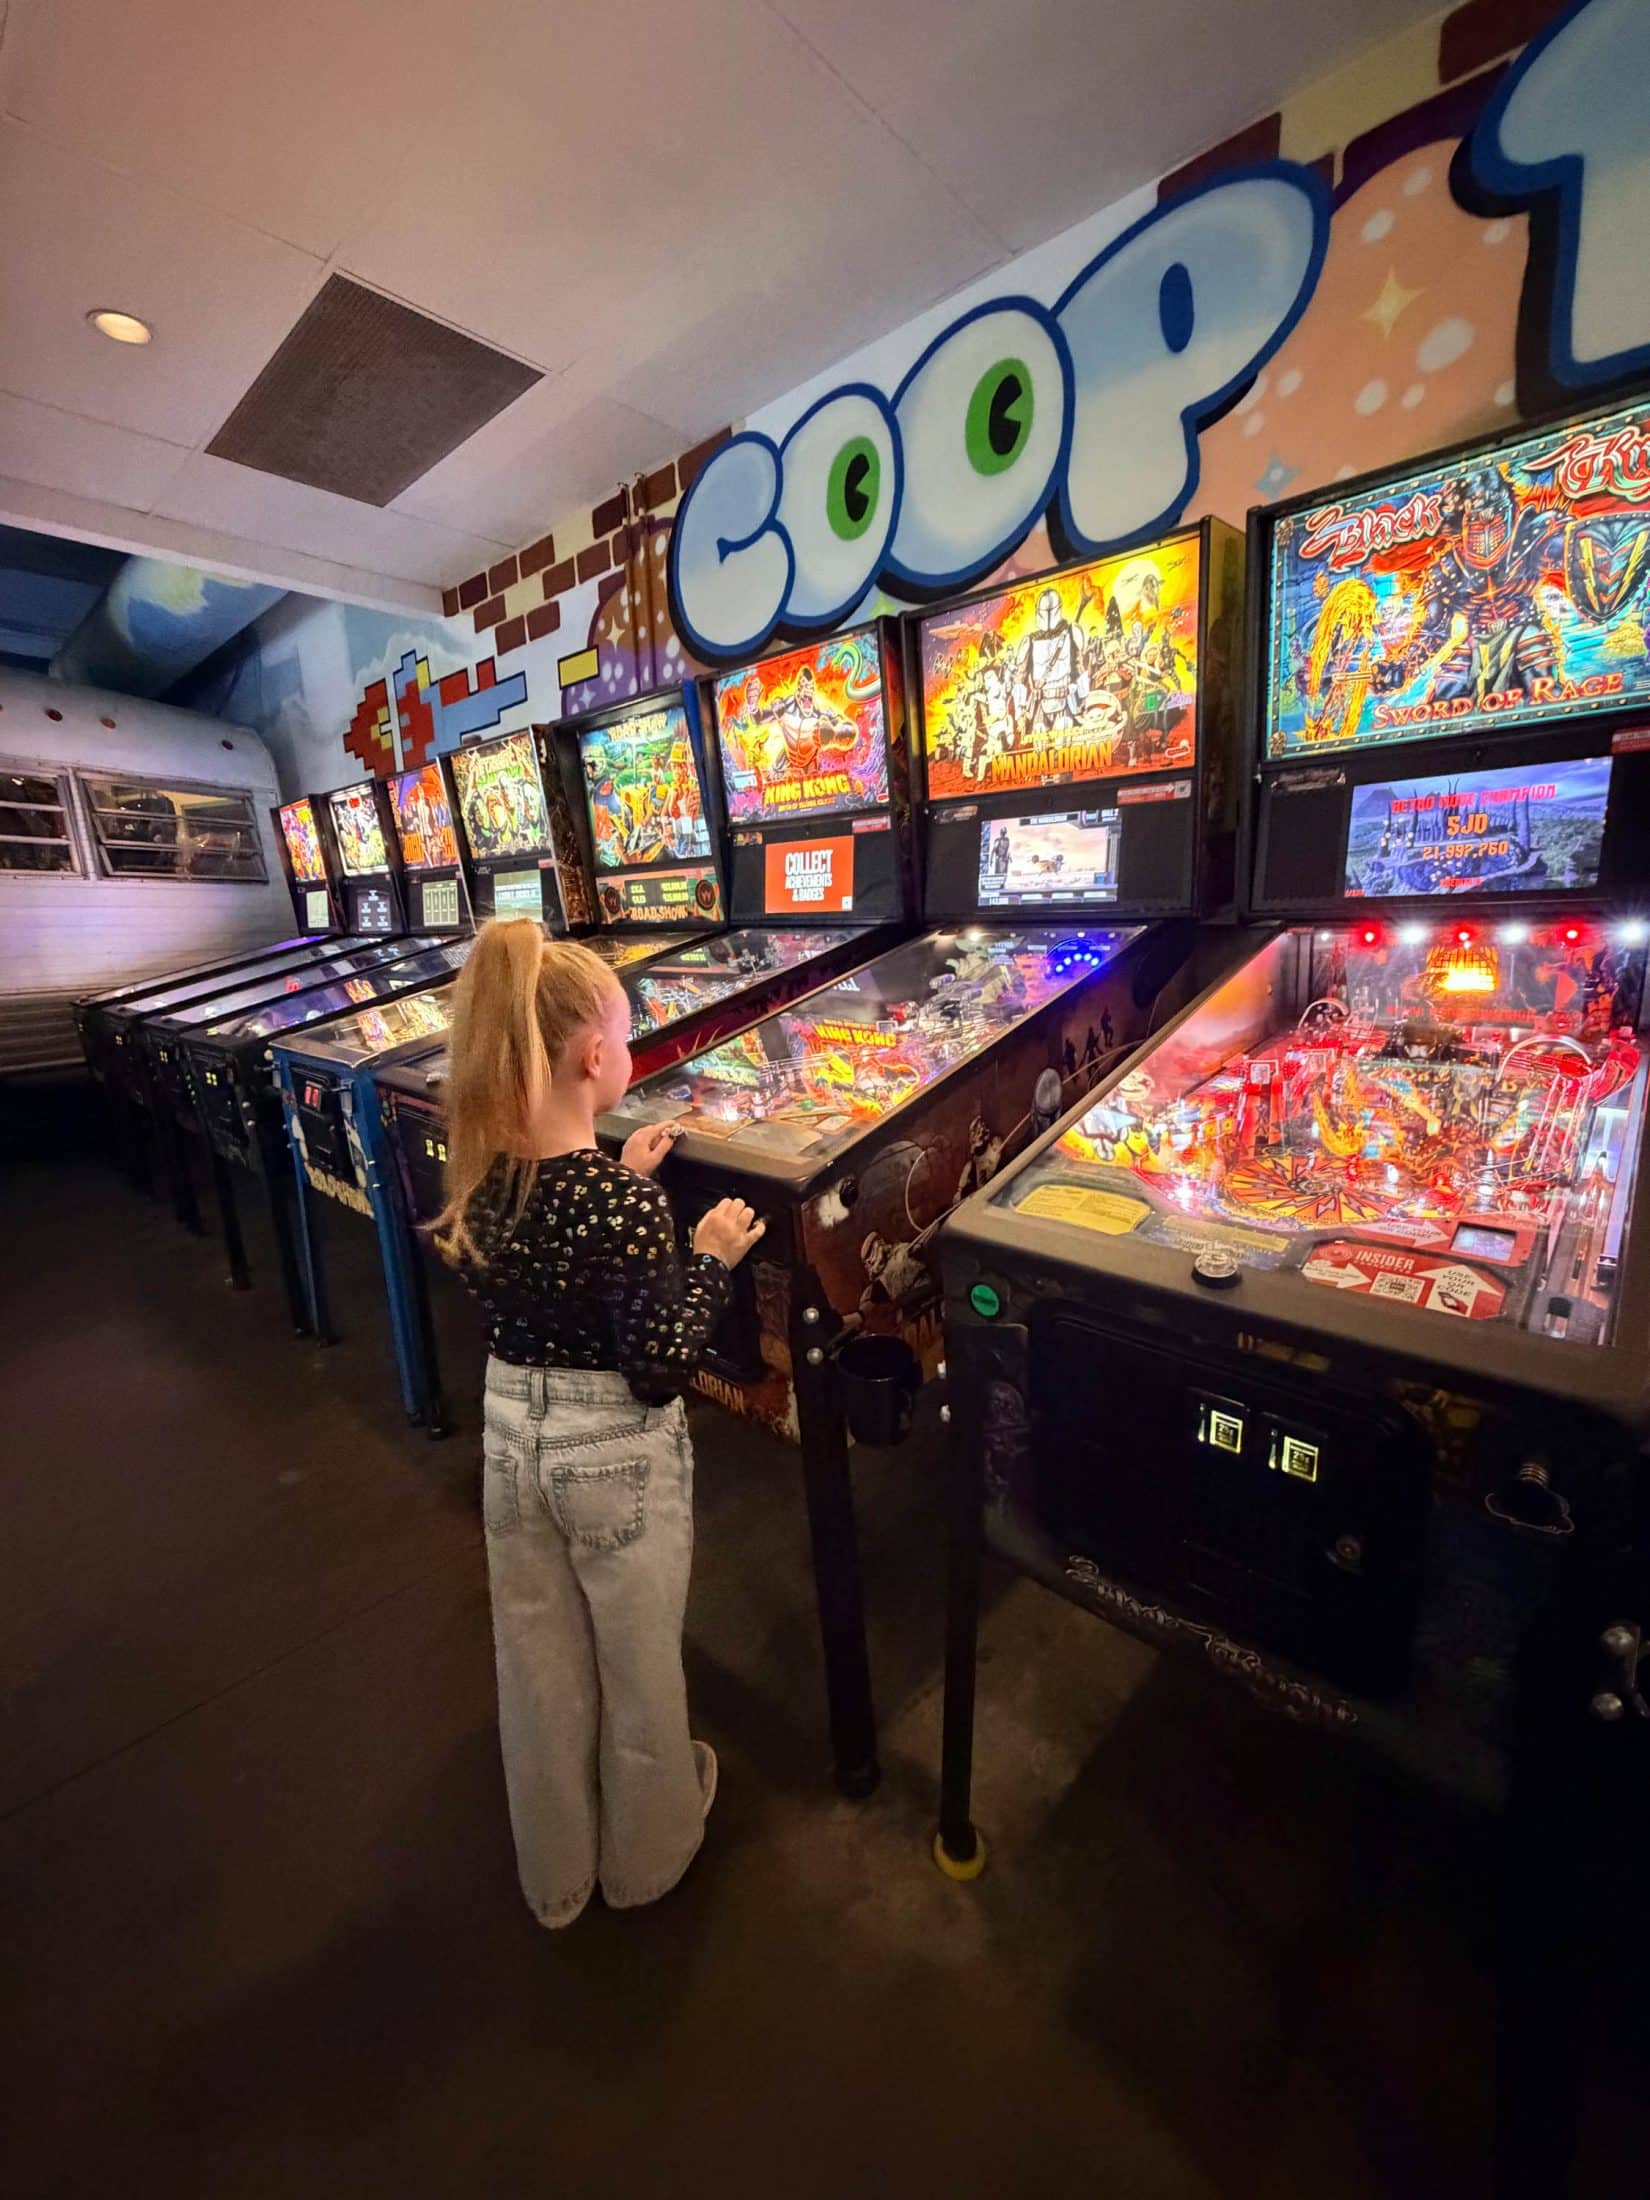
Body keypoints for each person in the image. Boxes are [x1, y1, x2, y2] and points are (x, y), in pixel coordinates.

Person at [435, 920, 764, 1928]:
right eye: (625, 1038)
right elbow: (659, 1366)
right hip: (610, 1454)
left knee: (536, 1659)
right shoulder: (621, 1209)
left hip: (510, 1436)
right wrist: (708, 1257)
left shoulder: (487, 1175)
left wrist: (627, 1175)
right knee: (637, 1657)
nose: (630, 1053)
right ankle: (647, 1858)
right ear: (591, 1058)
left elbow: (553, 1252)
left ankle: (558, 1875)